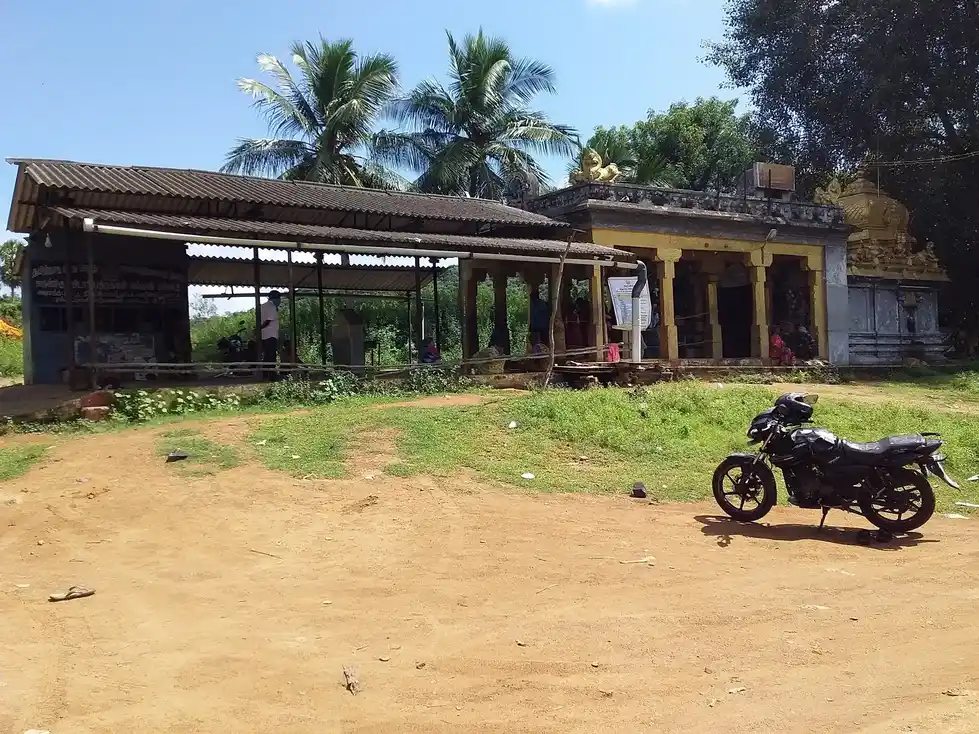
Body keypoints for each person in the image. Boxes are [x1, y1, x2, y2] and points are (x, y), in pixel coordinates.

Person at [260, 290, 281, 380]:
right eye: (279, 299)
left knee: (267, 355)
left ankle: (265, 374)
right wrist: (261, 327)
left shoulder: (263, 306)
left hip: (264, 335)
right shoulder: (272, 307)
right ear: (275, 298)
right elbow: (268, 320)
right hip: (271, 334)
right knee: (271, 355)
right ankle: (272, 375)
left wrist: (259, 329)